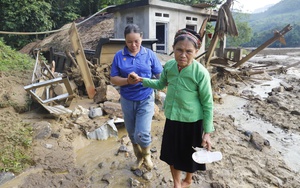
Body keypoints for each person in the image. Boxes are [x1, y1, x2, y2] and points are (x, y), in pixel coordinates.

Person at [130, 28, 214, 188]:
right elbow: (161, 84)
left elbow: (208, 103)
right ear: (173, 49)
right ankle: (177, 184)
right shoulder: (169, 66)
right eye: (179, 50)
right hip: (173, 118)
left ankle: (188, 180)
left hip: (193, 121)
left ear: (196, 52)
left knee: (191, 156)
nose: (183, 55)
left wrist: (208, 133)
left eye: (188, 51)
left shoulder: (200, 73)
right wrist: (142, 80)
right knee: (172, 155)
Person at [110, 24, 163, 171]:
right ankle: (138, 157)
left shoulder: (150, 55)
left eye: (136, 41)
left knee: (143, 133)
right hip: (127, 99)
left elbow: (160, 75)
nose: (133, 45)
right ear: (125, 41)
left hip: (145, 98)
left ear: (142, 38)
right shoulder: (119, 56)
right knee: (132, 133)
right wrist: (127, 81)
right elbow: (113, 79)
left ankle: (147, 156)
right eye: (129, 42)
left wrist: (162, 83)